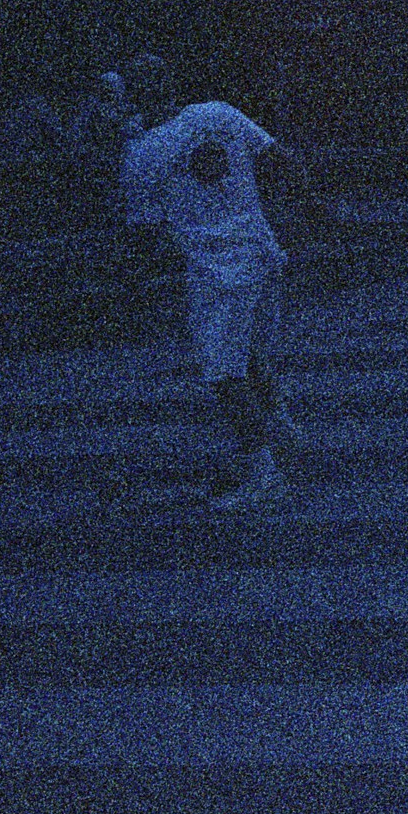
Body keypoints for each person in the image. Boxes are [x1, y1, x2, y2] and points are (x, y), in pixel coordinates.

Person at [116, 54, 307, 508]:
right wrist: (315, 210)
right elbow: (282, 160)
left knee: (224, 372)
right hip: (262, 255)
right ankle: (282, 431)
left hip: (218, 272)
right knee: (252, 356)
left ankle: (264, 469)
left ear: (135, 96)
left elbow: (145, 233)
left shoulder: (142, 152)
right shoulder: (218, 113)